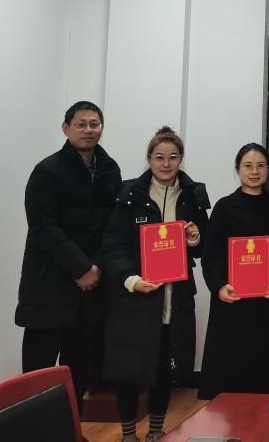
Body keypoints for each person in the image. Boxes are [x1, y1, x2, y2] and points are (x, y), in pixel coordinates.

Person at [100, 126, 210, 442]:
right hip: (135, 296)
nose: (166, 163)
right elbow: (112, 247)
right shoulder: (129, 195)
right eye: (159, 157)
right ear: (148, 159)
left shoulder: (192, 195)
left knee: (165, 368)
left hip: (175, 297)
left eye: (173, 157)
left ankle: (157, 431)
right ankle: (128, 435)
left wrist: (194, 238)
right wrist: (131, 280)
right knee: (128, 368)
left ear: (181, 159)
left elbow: (204, 247)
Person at [15, 101, 121, 412]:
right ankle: (35, 431)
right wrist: (80, 268)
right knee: (38, 375)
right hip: (49, 286)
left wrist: (96, 267)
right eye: (81, 124)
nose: (89, 130)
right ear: (66, 128)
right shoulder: (47, 171)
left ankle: (73, 431)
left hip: (90, 288)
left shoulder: (110, 169)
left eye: (94, 124)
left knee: (79, 371)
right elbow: (43, 226)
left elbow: (114, 224)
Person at [199, 143, 269, 399]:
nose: (254, 171)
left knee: (261, 371)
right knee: (228, 372)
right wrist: (219, 285)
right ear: (237, 170)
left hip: (263, 302)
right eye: (248, 166)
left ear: (268, 170)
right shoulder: (224, 207)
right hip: (230, 299)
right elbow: (210, 254)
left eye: (261, 166)